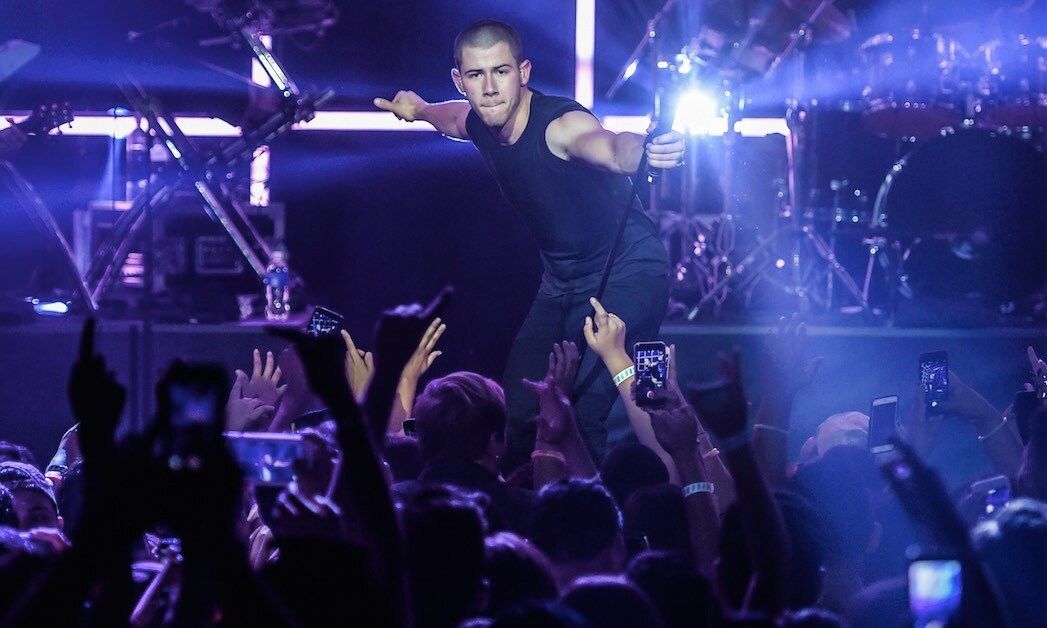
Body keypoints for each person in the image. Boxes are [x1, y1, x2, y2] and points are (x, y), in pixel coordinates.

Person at [374, 19, 685, 465]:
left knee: (586, 406)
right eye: (476, 76)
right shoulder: (479, 122)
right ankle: (526, 512)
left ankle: (591, 523)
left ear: (523, 72)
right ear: (460, 81)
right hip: (561, 283)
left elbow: (609, 146)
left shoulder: (558, 126)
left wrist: (645, 151)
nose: (490, 88)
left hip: (626, 269)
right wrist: (419, 109)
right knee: (522, 407)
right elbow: (453, 120)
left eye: (501, 72)